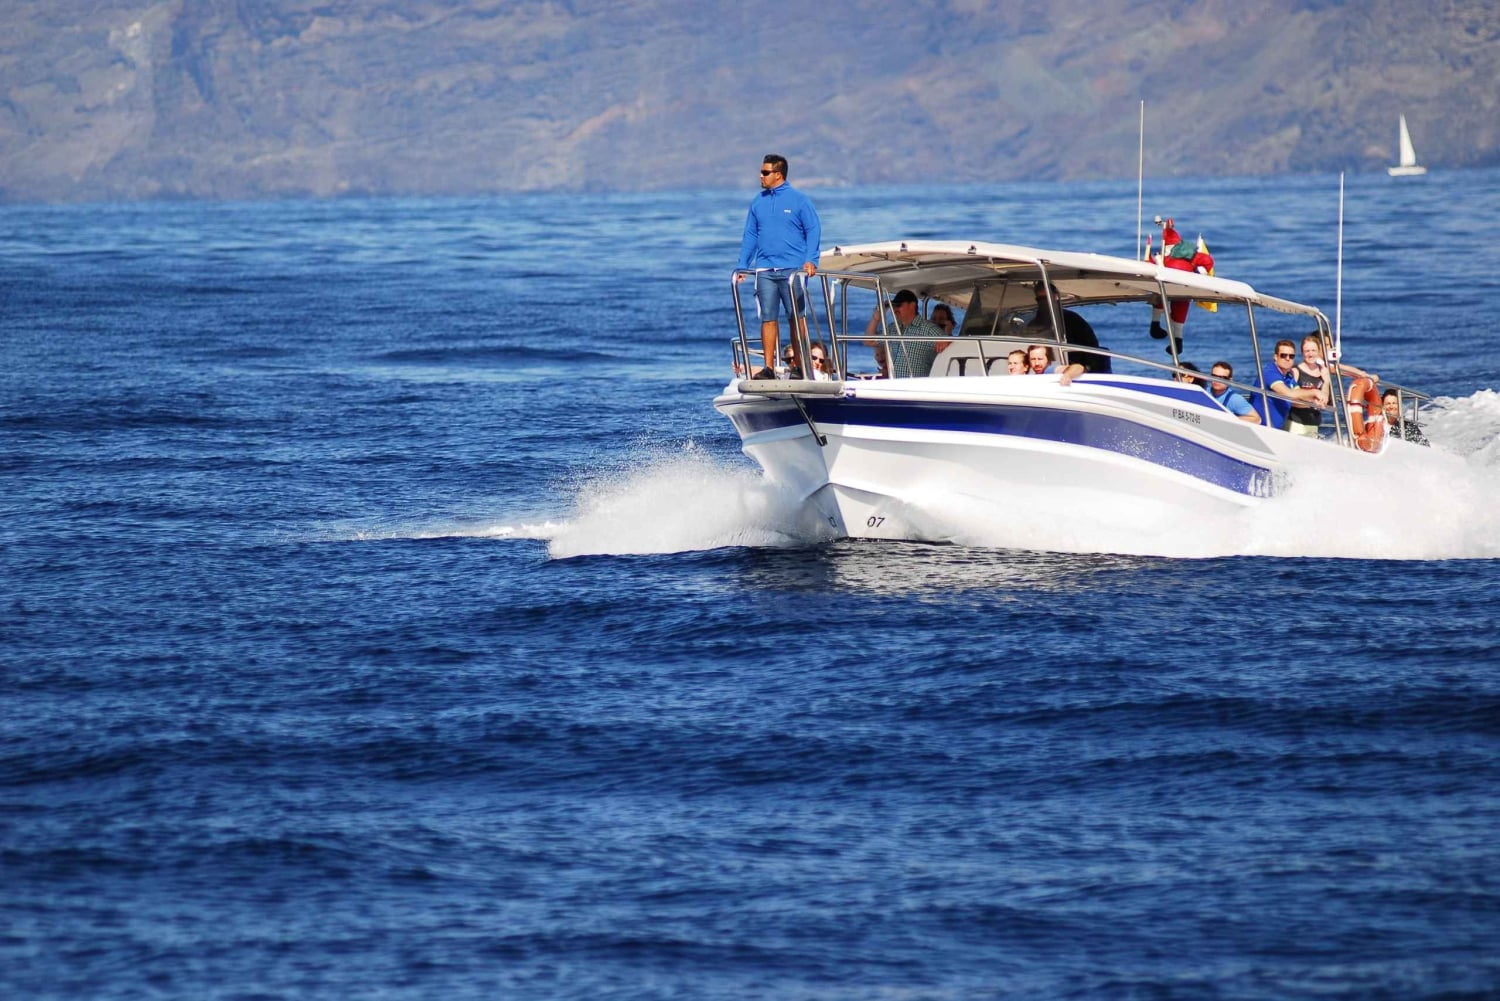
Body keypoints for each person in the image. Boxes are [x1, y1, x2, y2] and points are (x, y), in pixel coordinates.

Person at [734, 154, 821, 379]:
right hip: (765, 270)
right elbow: (750, 234)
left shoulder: (799, 200)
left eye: (765, 172)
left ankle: (800, 367)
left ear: (778, 175)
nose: (760, 176)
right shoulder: (758, 201)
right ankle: (769, 368)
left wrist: (812, 259)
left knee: (796, 318)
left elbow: (813, 229)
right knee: (768, 318)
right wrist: (742, 265)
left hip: (792, 269)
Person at [1030, 282, 1109, 385]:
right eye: (1040, 300)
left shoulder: (1073, 320)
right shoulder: (1034, 324)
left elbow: (1091, 347)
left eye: (1047, 298)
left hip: (1076, 368)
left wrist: (1087, 367)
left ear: (1055, 297)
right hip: (1042, 372)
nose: (1044, 303)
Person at [863, 290, 943, 378]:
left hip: (917, 389)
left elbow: (949, 346)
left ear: (912, 305)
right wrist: (876, 317)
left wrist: (945, 342)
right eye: (894, 306)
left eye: (899, 305)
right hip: (895, 388)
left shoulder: (928, 329)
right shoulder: (893, 329)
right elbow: (868, 341)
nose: (895, 309)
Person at [1252, 338, 1322, 429]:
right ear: (1275, 357)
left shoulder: (1289, 377)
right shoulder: (1269, 373)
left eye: (1291, 356)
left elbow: (1298, 397)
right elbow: (1288, 394)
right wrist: (1314, 392)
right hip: (1261, 428)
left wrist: (1313, 401)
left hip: (1275, 429)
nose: (1287, 358)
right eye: (1283, 355)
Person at [1284, 334, 1332, 437]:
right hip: (1295, 423)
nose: (1310, 354)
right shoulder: (1295, 371)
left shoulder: (1323, 372)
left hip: (1314, 424)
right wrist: (1311, 402)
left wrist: (1326, 381)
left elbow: (1325, 398)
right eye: (1307, 351)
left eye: (1313, 350)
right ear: (1302, 353)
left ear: (1319, 351)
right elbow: (1289, 399)